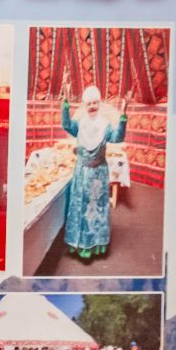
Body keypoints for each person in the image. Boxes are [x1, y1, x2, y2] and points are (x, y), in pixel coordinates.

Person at [59, 86, 128, 261]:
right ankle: (77, 245)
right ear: (84, 105)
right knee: (79, 207)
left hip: (98, 173)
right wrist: (65, 106)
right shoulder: (80, 123)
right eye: (88, 103)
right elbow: (66, 125)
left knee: (95, 210)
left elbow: (117, 138)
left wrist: (123, 118)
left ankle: (95, 246)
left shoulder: (105, 124)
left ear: (99, 103)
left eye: (95, 102)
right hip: (82, 172)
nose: (92, 106)